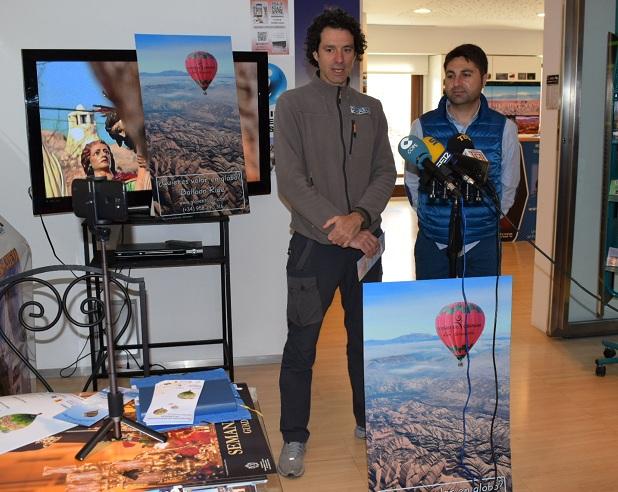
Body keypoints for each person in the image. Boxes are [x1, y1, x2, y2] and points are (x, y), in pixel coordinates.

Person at [273, 7, 396, 479]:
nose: (339, 58)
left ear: (355, 56)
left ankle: (369, 421)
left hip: (365, 245)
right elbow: (292, 181)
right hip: (314, 246)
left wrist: (360, 218)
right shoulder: (292, 107)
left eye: (347, 49)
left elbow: (386, 171)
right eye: (330, 49)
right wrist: (338, 225)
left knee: (366, 341)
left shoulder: (372, 108)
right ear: (315, 56)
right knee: (301, 344)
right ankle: (294, 439)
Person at [405, 44, 520, 279]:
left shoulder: (504, 128)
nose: (457, 83)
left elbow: (509, 184)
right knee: (431, 312)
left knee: (480, 314)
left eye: (466, 74)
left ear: (484, 78)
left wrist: (487, 221)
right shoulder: (422, 126)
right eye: (451, 75)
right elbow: (412, 181)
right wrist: (430, 217)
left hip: (483, 243)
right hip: (432, 242)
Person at [80, 140, 150, 191]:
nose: (104, 155)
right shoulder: (89, 190)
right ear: (89, 162)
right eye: (97, 153)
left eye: (106, 152)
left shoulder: (127, 182)